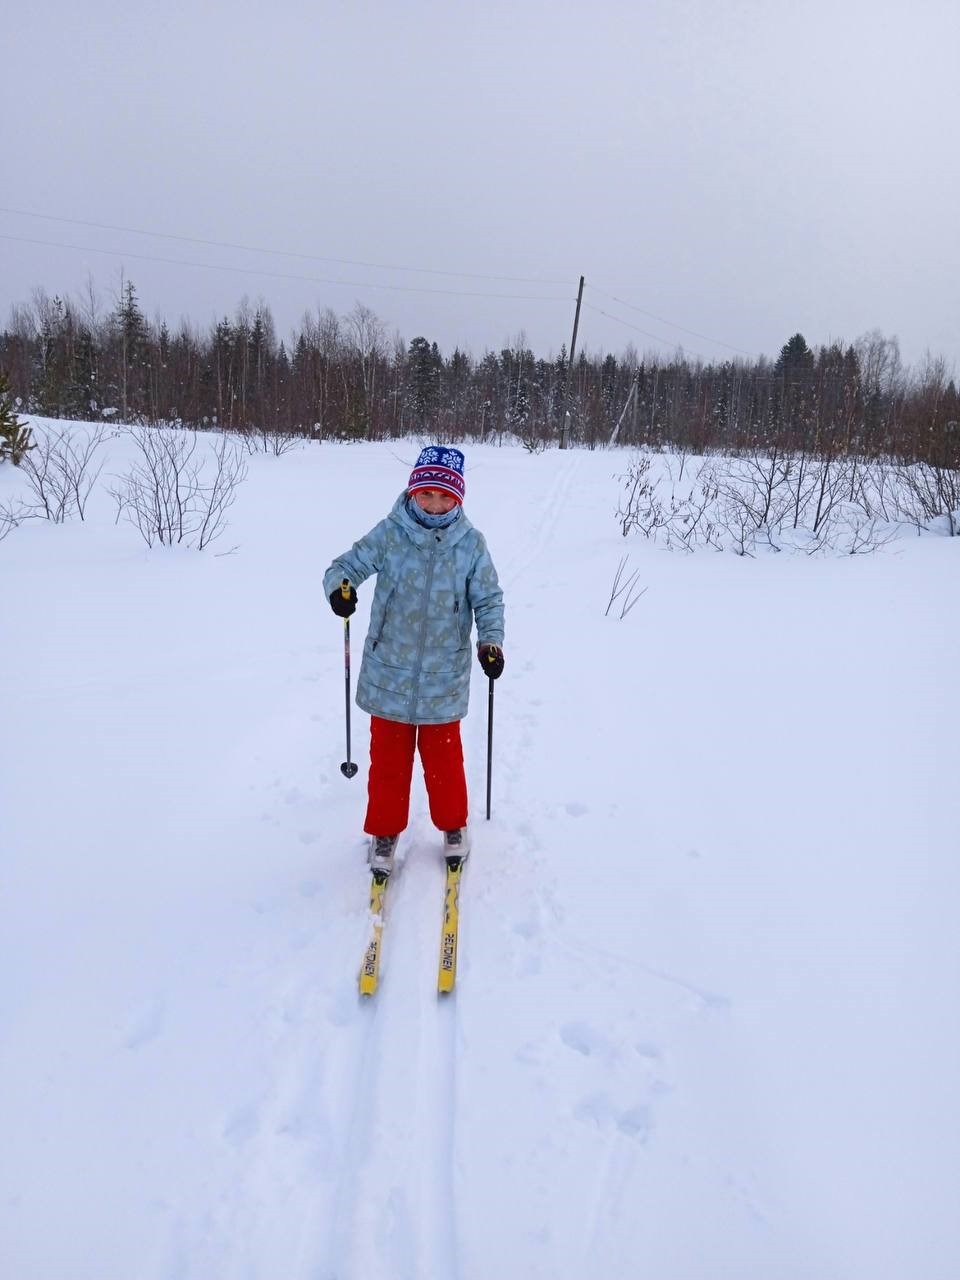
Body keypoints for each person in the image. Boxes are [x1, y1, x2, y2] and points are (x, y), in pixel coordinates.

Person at [324, 446, 505, 874]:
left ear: (458, 500)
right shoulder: (390, 533)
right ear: (413, 491)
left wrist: (490, 643)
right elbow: (345, 565)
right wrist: (341, 589)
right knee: (387, 762)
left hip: (444, 676)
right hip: (390, 671)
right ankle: (384, 832)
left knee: (444, 762)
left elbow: (489, 599)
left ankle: (453, 827)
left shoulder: (471, 545)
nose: (435, 504)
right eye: (427, 494)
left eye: (445, 497)